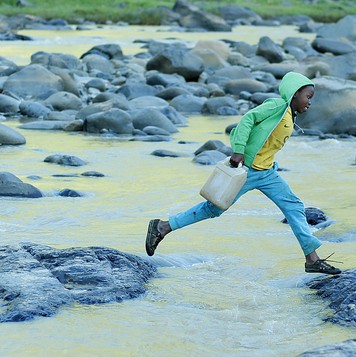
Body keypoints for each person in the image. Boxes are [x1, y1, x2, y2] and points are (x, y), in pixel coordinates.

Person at [145, 71, 341, 275]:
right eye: (308, 97)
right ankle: (163, 227)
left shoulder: (290, 115)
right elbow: (247, 120)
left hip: (267, 173)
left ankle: (312, 259)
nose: (309, 103)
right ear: (294, 94)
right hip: (246, 171)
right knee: (214, 208)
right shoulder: (275, 106)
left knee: (294, 206)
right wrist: (238, 150)